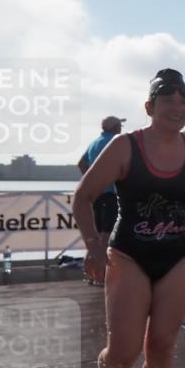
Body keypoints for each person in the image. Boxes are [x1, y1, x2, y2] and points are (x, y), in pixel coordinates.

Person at [72, 69, 185, 368]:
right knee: (124, 351)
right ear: (149, 106)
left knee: (162, 345)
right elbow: (83, 196)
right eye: (168, 100)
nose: (178, 107)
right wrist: (93, 247)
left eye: (184, 101)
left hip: (179, 255)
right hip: (129, 255)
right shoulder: (125, 146)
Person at [77, 116, 126, 278]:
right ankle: (98, 268)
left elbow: (81, 163)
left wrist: (92, 181)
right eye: (119, 125)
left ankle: (93, 268)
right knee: (108, 231)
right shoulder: (116, 141)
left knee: (98, 230)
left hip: (97, 194)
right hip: (112, 193)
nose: (121, 127)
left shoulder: (95, 142)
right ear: (115, 127)